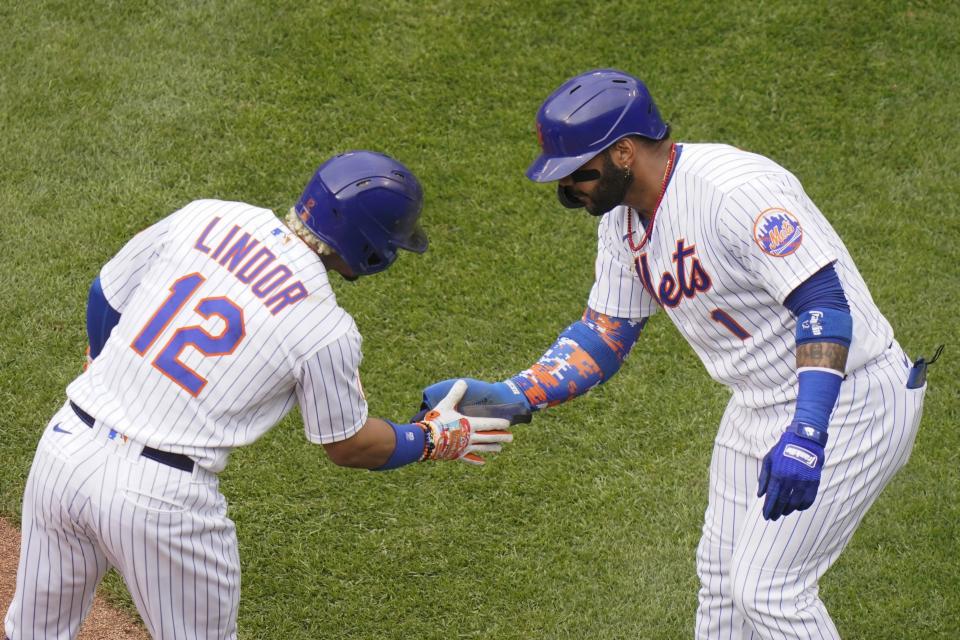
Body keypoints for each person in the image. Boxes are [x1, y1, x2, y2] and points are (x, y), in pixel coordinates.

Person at [420, 69, 936, 639]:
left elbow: (824, 307)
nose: (567, 192)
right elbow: (606, 334)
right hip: (758, 403)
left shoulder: (732, 191)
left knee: (768, 590)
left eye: (576, 175)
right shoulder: (622, 222)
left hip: (848, 397)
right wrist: (515, 393)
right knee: (719, 583)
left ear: (622, 152)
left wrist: (809, 432)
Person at [4, 150, 512, 640]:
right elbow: (348, 444)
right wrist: (433, 438)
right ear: (369, 246)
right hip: (157, 500)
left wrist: (102, 371)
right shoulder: (325, 327)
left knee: (32, 633)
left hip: (65, 447)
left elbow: (104, 294)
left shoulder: (207, 214)